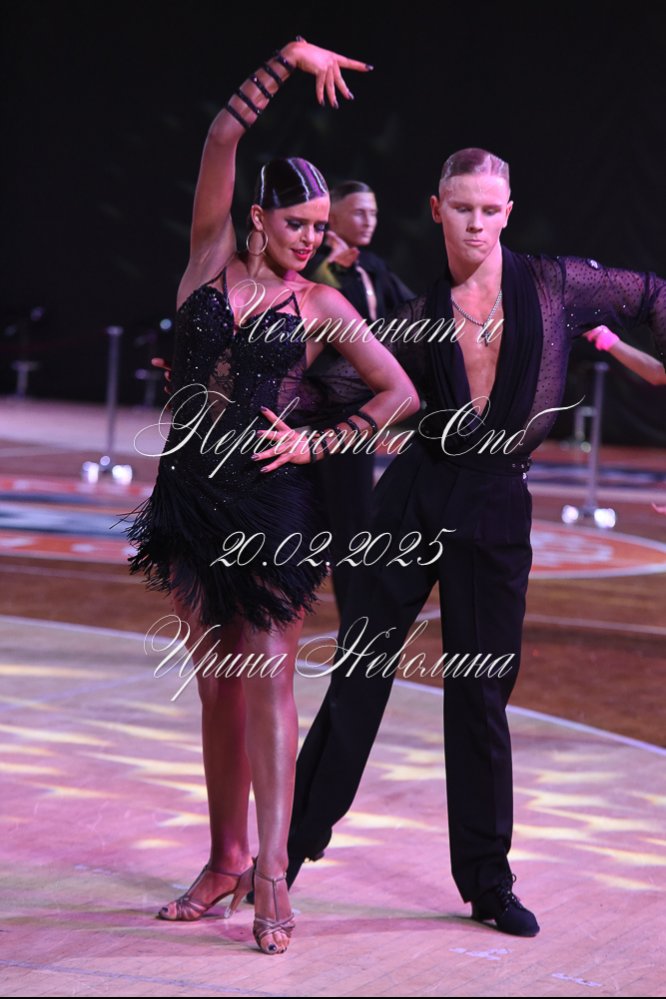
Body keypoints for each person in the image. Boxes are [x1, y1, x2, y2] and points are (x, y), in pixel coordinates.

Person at [286, 147, 666, 938]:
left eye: (491, 209)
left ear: (509, 212)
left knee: (481, 694)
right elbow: (333, 388)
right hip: (414, 496)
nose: (477, 223)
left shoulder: (555, 284)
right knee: (359, 674)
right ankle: (285, 851)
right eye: (463, 208)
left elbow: (652, 295)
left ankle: (488, 881)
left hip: (496, 502)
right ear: (437, 210)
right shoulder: (419, 312)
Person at [127, 38, 418, 955]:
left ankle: (273, 872)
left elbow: (400, 392)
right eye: (299, 223)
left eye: (321, 228)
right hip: (189, 500)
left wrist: (318, 440)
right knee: (218, 685)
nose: (313, 239)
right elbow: (221, 134)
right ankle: (224, 858)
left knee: (269, 683)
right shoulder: (208, 259)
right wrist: (285, 61)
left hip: (270, 509)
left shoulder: (324, 306)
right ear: (258, 217)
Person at [305, 181, 415, 609]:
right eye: (359, 212)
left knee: (352, 517)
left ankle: (355, 616)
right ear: (332, 216)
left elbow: (416, 310)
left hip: (356, 412)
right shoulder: (311, 262)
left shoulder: (373, 265)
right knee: (318, 515)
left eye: (374, 213)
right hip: (313, 407)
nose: (370, 221)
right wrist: (329, 265)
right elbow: (300, 311)